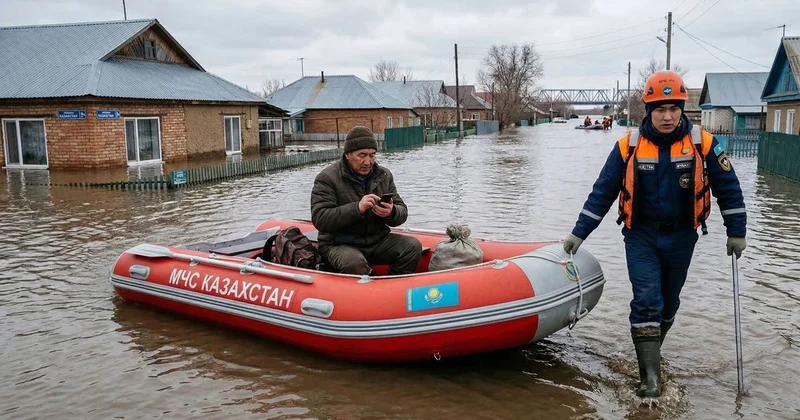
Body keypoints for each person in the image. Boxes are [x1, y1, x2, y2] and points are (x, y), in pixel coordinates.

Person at [562, 70, 747, 398]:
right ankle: (650, 379)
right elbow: (602, 193)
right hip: (640, 236)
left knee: (668, 303)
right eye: (660, 109)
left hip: (682, 237)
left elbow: (728, 188)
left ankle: (651, 352)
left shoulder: (703, 143)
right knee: (647, 300)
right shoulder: (628, 146)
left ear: (681, 110)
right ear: (649, 111)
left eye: (673, 109)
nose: (667, 116)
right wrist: (579, 233)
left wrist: (737, 231)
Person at [310, 126, 423, 275]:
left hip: (377, 241)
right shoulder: (327, 178)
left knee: (412, 246)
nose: (368, 162)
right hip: (338, 244)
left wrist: (391, 212)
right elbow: (320, 219)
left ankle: (393, 289)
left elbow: (402, 211)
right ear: (348, 154)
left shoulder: (384, 175)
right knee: (354, 263)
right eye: (362, 155)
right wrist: (357, 208)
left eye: (372, 155)